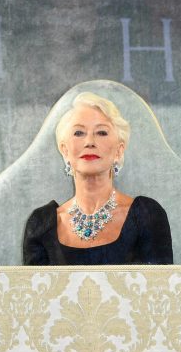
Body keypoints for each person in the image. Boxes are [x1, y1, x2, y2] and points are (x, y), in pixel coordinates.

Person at [22, 92, 173, 265]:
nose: (89, 142)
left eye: (101, 132)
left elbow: (160, 289)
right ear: (65, 150)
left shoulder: (146, 216)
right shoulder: (41, 225)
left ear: (119, 150)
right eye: (79, 132)